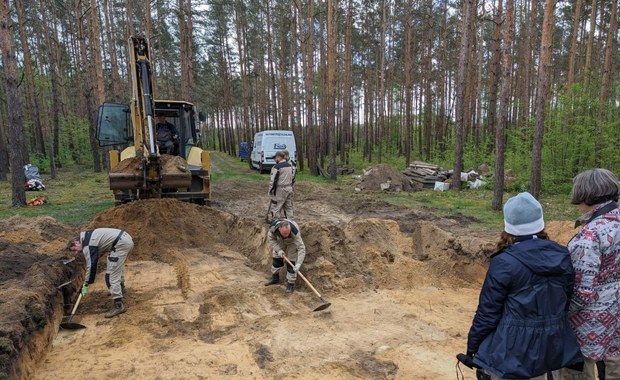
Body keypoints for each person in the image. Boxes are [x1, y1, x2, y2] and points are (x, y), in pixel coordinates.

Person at [464, 192, 582, 379]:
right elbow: (565, 301)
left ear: (508, 225)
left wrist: (473, 347)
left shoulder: (504, 262)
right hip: (552, 345)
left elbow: (488, 312)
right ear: (541, 222)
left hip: (513, 349)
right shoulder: (562, 255)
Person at [560, 168, 620, 379]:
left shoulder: (591, 235)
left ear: (585, 196)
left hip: (586, 329)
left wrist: (560, 314)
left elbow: (582, 291)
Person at [68, 228, 134, 318]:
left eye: (74, 249)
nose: (76, 253)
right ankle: (120, 289)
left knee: (110, 276)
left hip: (121, 244)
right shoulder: (87, 236)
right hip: (124, 239)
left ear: (77, 242)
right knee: (114, 266)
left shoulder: (87, 245)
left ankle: (119, 306)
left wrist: (86, 283)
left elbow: (91, 266)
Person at [264, 219, 306, 293]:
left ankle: (290, 284)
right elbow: (272, 240)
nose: (286, 235)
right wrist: (279, 250)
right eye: (284, 233)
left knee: (291, 261)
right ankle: (275, 278)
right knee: (277, 258)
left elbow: (301, 248)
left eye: (287, 233)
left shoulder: (294, 232)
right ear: (279, 229)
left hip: (292, 242)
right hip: (279, 240)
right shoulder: (273, 229)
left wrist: (298, 263)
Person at [267, 151, 294, 221]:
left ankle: (276, 222)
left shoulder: (277, 167)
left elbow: (272, 180)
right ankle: (290, 221)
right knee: (288, 206)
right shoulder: (290, 166)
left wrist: (270, 191)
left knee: (276, 206)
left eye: (275, 158)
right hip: (289, 188)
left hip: (280, 189)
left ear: (279, 157)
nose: (274, 160)